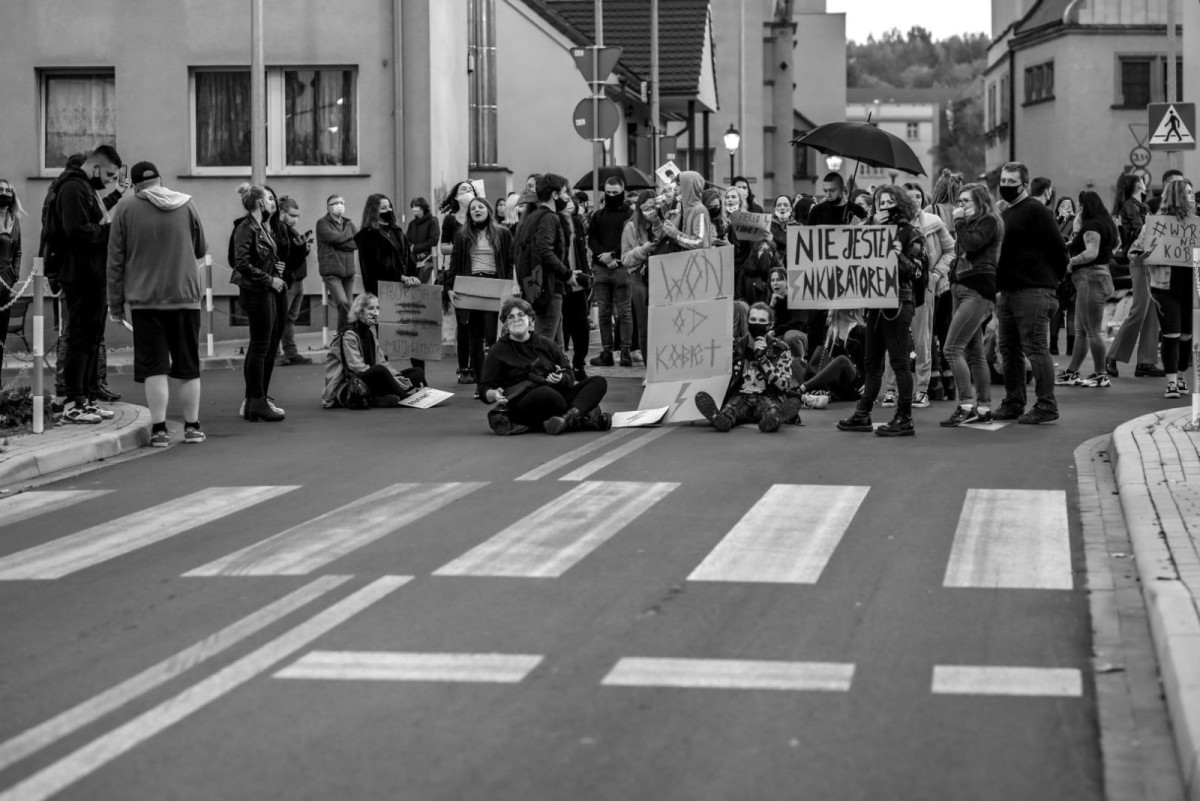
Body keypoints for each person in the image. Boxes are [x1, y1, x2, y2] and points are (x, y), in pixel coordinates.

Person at [106, 162, 208, 446]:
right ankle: (193, 426)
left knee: (154, 367)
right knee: (188, 365)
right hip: (185, 298)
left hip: (146, 301)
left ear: (136, 186)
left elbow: (114, 260)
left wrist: (115, 304)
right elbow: (201, 248)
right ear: (161, 180)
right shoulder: (186, 204)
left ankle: (160, 429)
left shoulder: (126, 209)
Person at [836, 185, 927, 437]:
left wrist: (898, 255)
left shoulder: (911, 233)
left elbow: (918, 273)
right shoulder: (871, 228)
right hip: (874, 302)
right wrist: (869, 224)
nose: (885, 207)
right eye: (880, 202)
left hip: (898, 301)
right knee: (871, 363)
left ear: (901, 204)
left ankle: (904, 417)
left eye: (889, 202)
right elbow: (848, 249)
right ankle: (862, 414)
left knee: (898, 363)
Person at [48, 144, 123, 424]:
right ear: (95, 167)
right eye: (109, 175)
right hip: (80, 276)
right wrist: (111, 229)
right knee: (80, 339)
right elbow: (77, 230)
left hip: (92, 274)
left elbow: (89, 222)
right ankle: (73, 402)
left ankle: (88, 399)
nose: (109, 181)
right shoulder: (73, 188)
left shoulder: (84, 189)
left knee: (92, 339)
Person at [992, 161, 1068, 424]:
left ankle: (1046, 404)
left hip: (1034, 291)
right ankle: (1014, 402)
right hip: (1009, 292)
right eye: (1003, 181)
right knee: (1009, 349)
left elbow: (1060, 251)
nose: (1005, 187)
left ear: (1024, 184)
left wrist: (1050, 282)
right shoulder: (1007, 212)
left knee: (1035, 349)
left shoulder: (1037, 211)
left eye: (1011, 183)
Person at [478, 297, 610, 436]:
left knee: (599, 382)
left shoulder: (545, 343)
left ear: (531, 320)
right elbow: (483, 389)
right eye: (511, 317)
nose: (516, 320)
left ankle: (566, 419)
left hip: (557, 395)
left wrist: (560, 378)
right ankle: (582, 415)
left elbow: (569, 373)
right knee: (545, 393)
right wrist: (495, 394)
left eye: (521, 315)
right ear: (505, 323)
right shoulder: (497, 351)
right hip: (525, 403)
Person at [881, 184, 955, 409]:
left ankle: (922, 389)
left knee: (923, 339)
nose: (913, 201)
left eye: (917, 196)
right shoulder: (889, 224)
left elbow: (951, 250)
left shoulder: (932, 223)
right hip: (892, 289)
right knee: (893, 340)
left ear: (923, 199)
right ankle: (891, 389)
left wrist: (935, 275)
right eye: (908, 197)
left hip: (922, 287)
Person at [940, 183, 1003, 427]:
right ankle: (984, 408)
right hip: (962, 287)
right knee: (974, 353)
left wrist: (958, 223)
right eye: (960, 201)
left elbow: (971, 245)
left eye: (966, 201)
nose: (961, 206)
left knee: (951, 348)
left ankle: (965, 405)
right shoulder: (975, 223)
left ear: (980, 202)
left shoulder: (989, 221)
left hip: (977, 290)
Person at [693, 301, 799, 433]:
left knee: (770, 410)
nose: (756, 323)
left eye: (761, 320)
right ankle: (720, 419)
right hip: (741, 395)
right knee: (730, 409)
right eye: (753, 319)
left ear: (770, 325)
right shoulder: (735, 346)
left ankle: (774, 419)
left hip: (766, 396)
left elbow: (784, 385)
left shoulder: (781, 349)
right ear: (747, 321)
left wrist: (762, 359)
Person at [231, 183, 288, 422]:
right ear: (260, 203)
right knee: (260, 346)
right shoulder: (247, 227)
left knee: (264, 346)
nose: (274, 202)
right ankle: (256, 400)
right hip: (257, 291)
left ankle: (258, 400)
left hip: (266, 288)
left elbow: (259, 256)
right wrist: (269, 279)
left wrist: (275, 267)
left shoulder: (261, 227)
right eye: (270, 199)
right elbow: (241, 263)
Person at [1135, 178, 1196, 398]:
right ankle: (1171, 382)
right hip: (1164, 285)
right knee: (1172, 333)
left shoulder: (1196, 224)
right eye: (1187, 192)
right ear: (1176, 196)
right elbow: (1134, 253)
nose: (1192, 196)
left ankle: (1180, 377)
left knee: (1187, 335)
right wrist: (1148, 254)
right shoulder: (1155, 224)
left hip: (1192, 288)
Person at [448, 198, 515, 389]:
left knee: (493, 335)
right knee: (474, 337)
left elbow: (510, 262)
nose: (477, 210)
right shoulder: (462, 235)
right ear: (469, 214)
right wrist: (450, 288)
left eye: (480, 207)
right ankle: (481, 383)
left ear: (488, 210)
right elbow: (454, 262)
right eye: (473, 208)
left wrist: (510, 286)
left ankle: (495, 377)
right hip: (470, 286)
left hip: (495, 284)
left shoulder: (502, 233)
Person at [1055, 190, 1117, 388]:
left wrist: (1070, 262)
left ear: (1085, 206)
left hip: (1091, 278)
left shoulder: (1092, 226)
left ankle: (1101, 373)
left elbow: (1091, 252)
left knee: (1092, 331)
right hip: (1094, 278)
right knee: (1082, 331)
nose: (1077, 209)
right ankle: (1072, 372)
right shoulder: (1105, 223)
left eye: (1080, 205)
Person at [322, 293, 423, 409]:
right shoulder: (349, 335)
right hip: (351, 385)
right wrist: (393, 382)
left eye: (377, 308)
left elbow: (382, 362)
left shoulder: (370, 333)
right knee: (379, 371)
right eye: (370, 308)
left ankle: (377, 399)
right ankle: (405, 398)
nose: (375, 312)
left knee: (417, 372)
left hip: (371, 379)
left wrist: (395, 378)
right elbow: (356, 367)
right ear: (360, 313)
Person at [1105, 173, 1162, 378]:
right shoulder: (1131, 206)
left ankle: (1146, 362)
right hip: (1140, 259)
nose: (1145, 184)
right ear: (1137, 184)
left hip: (1148, 258)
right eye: (1142, 181)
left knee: (1151, 309)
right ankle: (1112, 355)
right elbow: (1139, 232)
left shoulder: (1139, 206)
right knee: (1140, 309)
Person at [515, 173, 574, 341]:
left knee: (555, 345)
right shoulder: (549, 217)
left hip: (538, 288)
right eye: (564, 192)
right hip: (548, 288)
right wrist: (567, 274)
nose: (566, 197)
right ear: (554, 195)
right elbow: (545, 251)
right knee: (544, 343)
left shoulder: (532, 217)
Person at [588, 176, 632, 367]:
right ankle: (607, 351)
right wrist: (604, 256)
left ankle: (625, 352)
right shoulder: (598, 215)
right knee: (604, 312)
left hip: (621, 266)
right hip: (602, 267)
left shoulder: (630, 214)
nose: (612, 196)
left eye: (615, 192)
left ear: (623, 191)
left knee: (624, 312)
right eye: (608, 192)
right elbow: (592, 240)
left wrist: (613, 255)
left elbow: (630, 239)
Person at [439, 180, 477, 383]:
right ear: (456, 196)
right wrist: (461, 249)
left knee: (478, 323)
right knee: (463, 323)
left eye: (471, 189)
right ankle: (464, 367)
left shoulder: (480, 216)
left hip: (479, 272)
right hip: (459, 272)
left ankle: (478, 366)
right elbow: (443, 248)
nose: (468, 192)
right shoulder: (450, 220)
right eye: (464, 189)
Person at [273, 196, 315, 367]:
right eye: (292, 215)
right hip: (288, 280)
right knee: (280, 318)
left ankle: (290, 353)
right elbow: (283, 256)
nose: (295, 219)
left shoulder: (290, 230)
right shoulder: (278, 230)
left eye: (298, 216)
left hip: (298, 279)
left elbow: (293, 255)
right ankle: (276, 354)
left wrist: (303, 250)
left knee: (289, 318)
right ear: (282, 212)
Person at [796, 309, 866, 403]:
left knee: (842, 360)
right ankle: (807, 393)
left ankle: (803, 389)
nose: (827, 309)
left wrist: (869, 385)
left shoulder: (861, 330)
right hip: (837, 385)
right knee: (796, 362)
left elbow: (873, 362)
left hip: (856, 384)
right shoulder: (831, 331)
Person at [356, 193, 417, 296]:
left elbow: (409, 257)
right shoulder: (368, 235)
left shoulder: (397, 231)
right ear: (374, 212)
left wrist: (413, 276)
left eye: (389, 207)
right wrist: (400, 277)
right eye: (383, 208)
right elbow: (373, 267)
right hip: (380, 291)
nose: (388, 210)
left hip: (403, 289)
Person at [559, 194, 593, 379]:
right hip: (559, 281)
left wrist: (586, 276)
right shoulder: (552, 222)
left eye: (570, 200)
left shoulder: (577, 222)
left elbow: (581, 251)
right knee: (562, 327)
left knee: (581, 326)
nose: (569, 203)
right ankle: (563, 364)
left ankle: (579, 364)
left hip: (578, 280)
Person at [622, 189, 658, 361]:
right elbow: (625, 259)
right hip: (639, 277)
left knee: (659, 324)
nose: (651, 210)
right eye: (647, 206)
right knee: (643, 325)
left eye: (654, 206)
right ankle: (647, 368)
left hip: (660, 278)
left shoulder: (661, 224)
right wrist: (643, 250)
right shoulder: (631, 227)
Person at [316, 194, 357, 329]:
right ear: (328, 207)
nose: (339, 205)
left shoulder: (349, 223)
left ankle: (343, 336)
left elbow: (357, 242)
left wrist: (340, 243)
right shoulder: (322, 223)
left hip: (348, 272)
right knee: (344, 303)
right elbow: (332, 238)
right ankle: (353, 331)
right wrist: (345, 238)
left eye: (341, 202)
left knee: (346, 306)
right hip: (331, 272)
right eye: (335, 203)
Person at [0, 179, 25, 366]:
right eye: (0, 190)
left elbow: (18, 251)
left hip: (6, 286)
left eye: (8, 190)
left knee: (1, 337)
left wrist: (15, 274)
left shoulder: (14, 220)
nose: (4, 193)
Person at [658, 171, 711, 250]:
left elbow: (701, 242)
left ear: (689, 188)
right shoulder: (681, 210)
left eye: (678, 185)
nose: (675, 189)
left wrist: (677, 235)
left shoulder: (700, 210)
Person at [406, 197, 440, 283]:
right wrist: (410, 247)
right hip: (414, 260)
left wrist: (415, 248)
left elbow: (433, 240)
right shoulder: (412, 224)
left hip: (428, 260)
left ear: (423, 207)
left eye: (416, 206)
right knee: (413, 283)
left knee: (421, 284)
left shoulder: (432, 221)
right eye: (412, 206)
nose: (414, 209)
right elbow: (406, 239)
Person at [769, 194, 792, 260]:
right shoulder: (768, 226)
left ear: (791, 209)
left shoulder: (798, 227)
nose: (782, 208)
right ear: (775, 208)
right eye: (779, 205)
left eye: (786, 205)